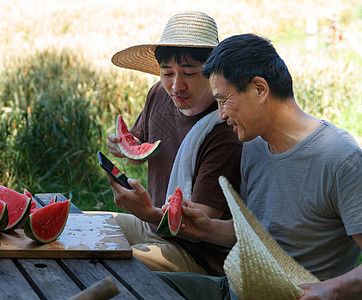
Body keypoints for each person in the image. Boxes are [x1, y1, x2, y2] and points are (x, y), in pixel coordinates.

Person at [155, 33, 362, 299]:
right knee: (131, 283)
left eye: (224, 99)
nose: (221, 114)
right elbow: (261, 234)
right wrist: (206, 228)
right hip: (232, 290)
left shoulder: (341, 160)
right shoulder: (253, 144)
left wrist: (330, 289)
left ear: (259, 89)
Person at [105, 11, 242, 276]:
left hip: (195, 254)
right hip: (153, 224)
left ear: (213, 73)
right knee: (83, 230)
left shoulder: (226, 130)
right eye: (167, 73)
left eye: (189, 73)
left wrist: (146, 212)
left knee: (105, 262)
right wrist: (124, 149)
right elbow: (140, 150)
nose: (176, 85)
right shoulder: (159, 93)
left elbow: (196, 226)